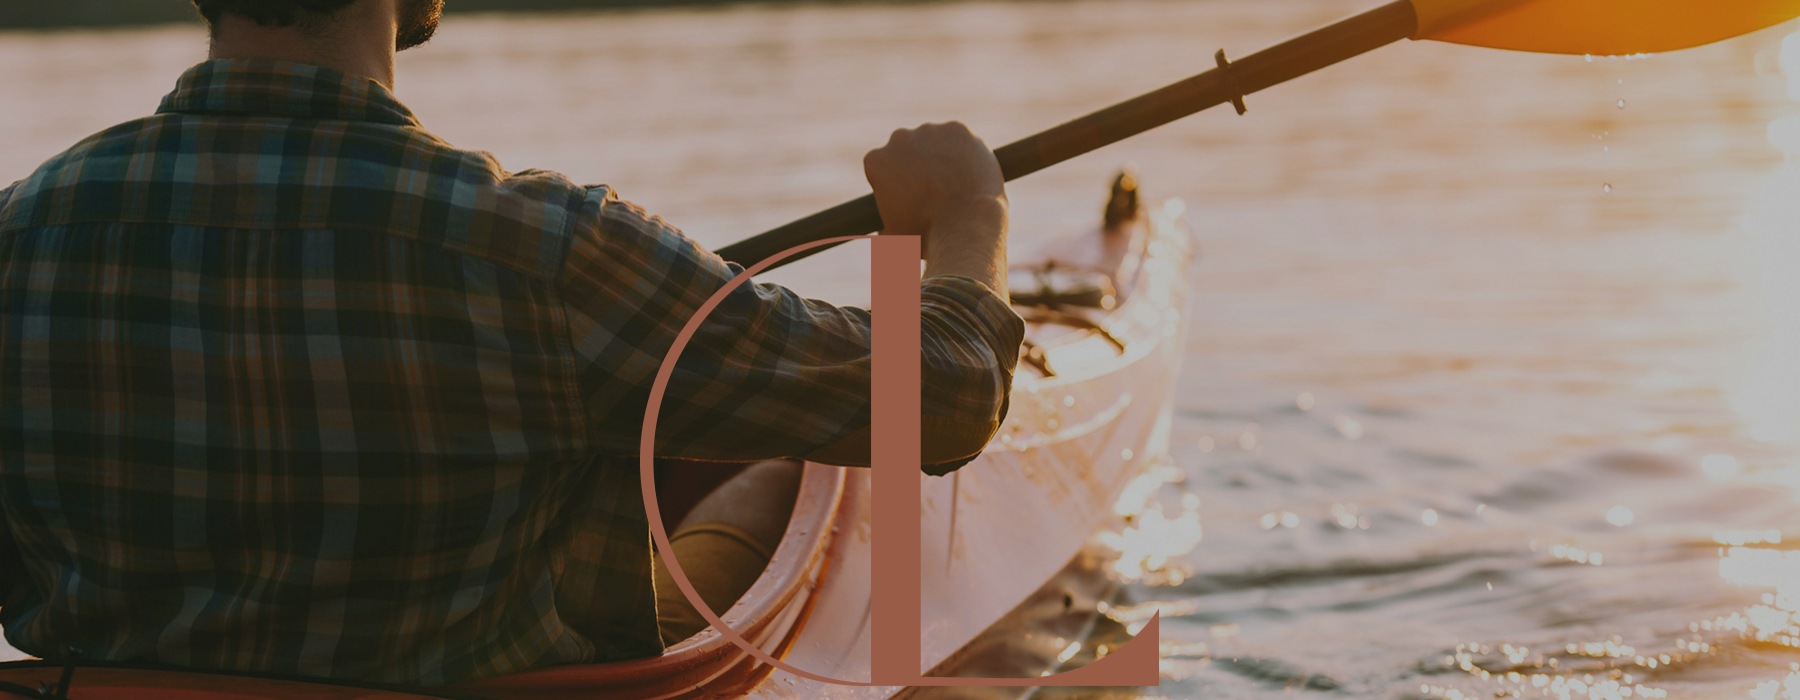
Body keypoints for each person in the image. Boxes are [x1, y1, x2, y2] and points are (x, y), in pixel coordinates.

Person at [0, 0, 1022, 686]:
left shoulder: (17, 236)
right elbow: (940, 400)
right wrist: (964, 220)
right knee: (775, 465)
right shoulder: (549, 251)